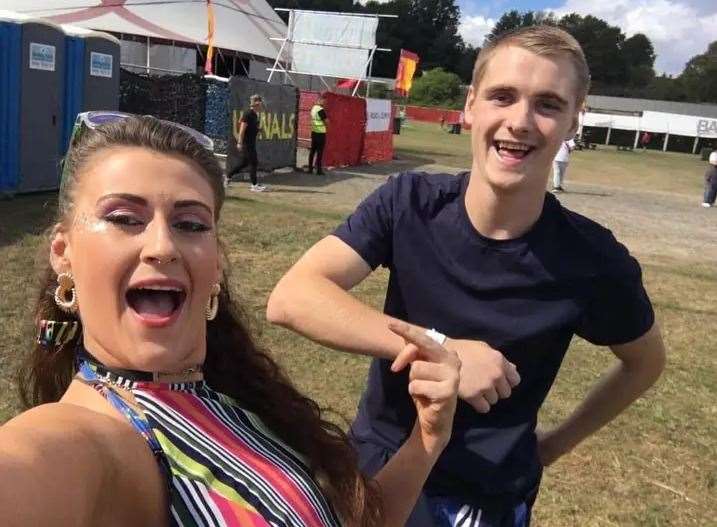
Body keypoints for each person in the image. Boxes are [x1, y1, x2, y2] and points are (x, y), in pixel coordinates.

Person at [267, 26, 665, 527]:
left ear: (573, 123)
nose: (520, 121)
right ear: (471, 105)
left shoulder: (591, 258)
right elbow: (292, 296)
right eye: (503, 96)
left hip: (487, 495)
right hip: (380, 466)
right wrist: (444, 349)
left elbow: (644, 363)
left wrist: (557, 445)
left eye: (548, 104)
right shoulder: (409, 203)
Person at [0, 114, 462, 526]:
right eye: (124, 218)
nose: (162, 246)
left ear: (215, 263)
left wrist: (427, 438)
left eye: (191, 224)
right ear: (63, 253)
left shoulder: (236, 402)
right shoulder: (83, 440)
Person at [231, 93, 266, 192]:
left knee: (244, 163)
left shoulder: (255, 115)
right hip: (246, 143)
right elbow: (242, 130)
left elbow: (252, 128)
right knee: (254, 163)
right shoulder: (248, 114)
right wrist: (239, 143)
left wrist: (259, 129)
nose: (261, 106)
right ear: (255, 104)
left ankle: (227, 177)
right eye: (259, 103)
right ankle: (254, 186)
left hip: (251, 142)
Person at [309, 96, 329, 175]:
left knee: (312, 151)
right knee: (320, 152)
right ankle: (319, 170)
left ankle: (310, 169)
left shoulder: (313, 108)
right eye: (324, 101)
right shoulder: (321, 110)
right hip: (320, 133)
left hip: (314, 132)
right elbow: (326, 121)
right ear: (320, 100)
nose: (325, 103)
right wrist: (327, 124)